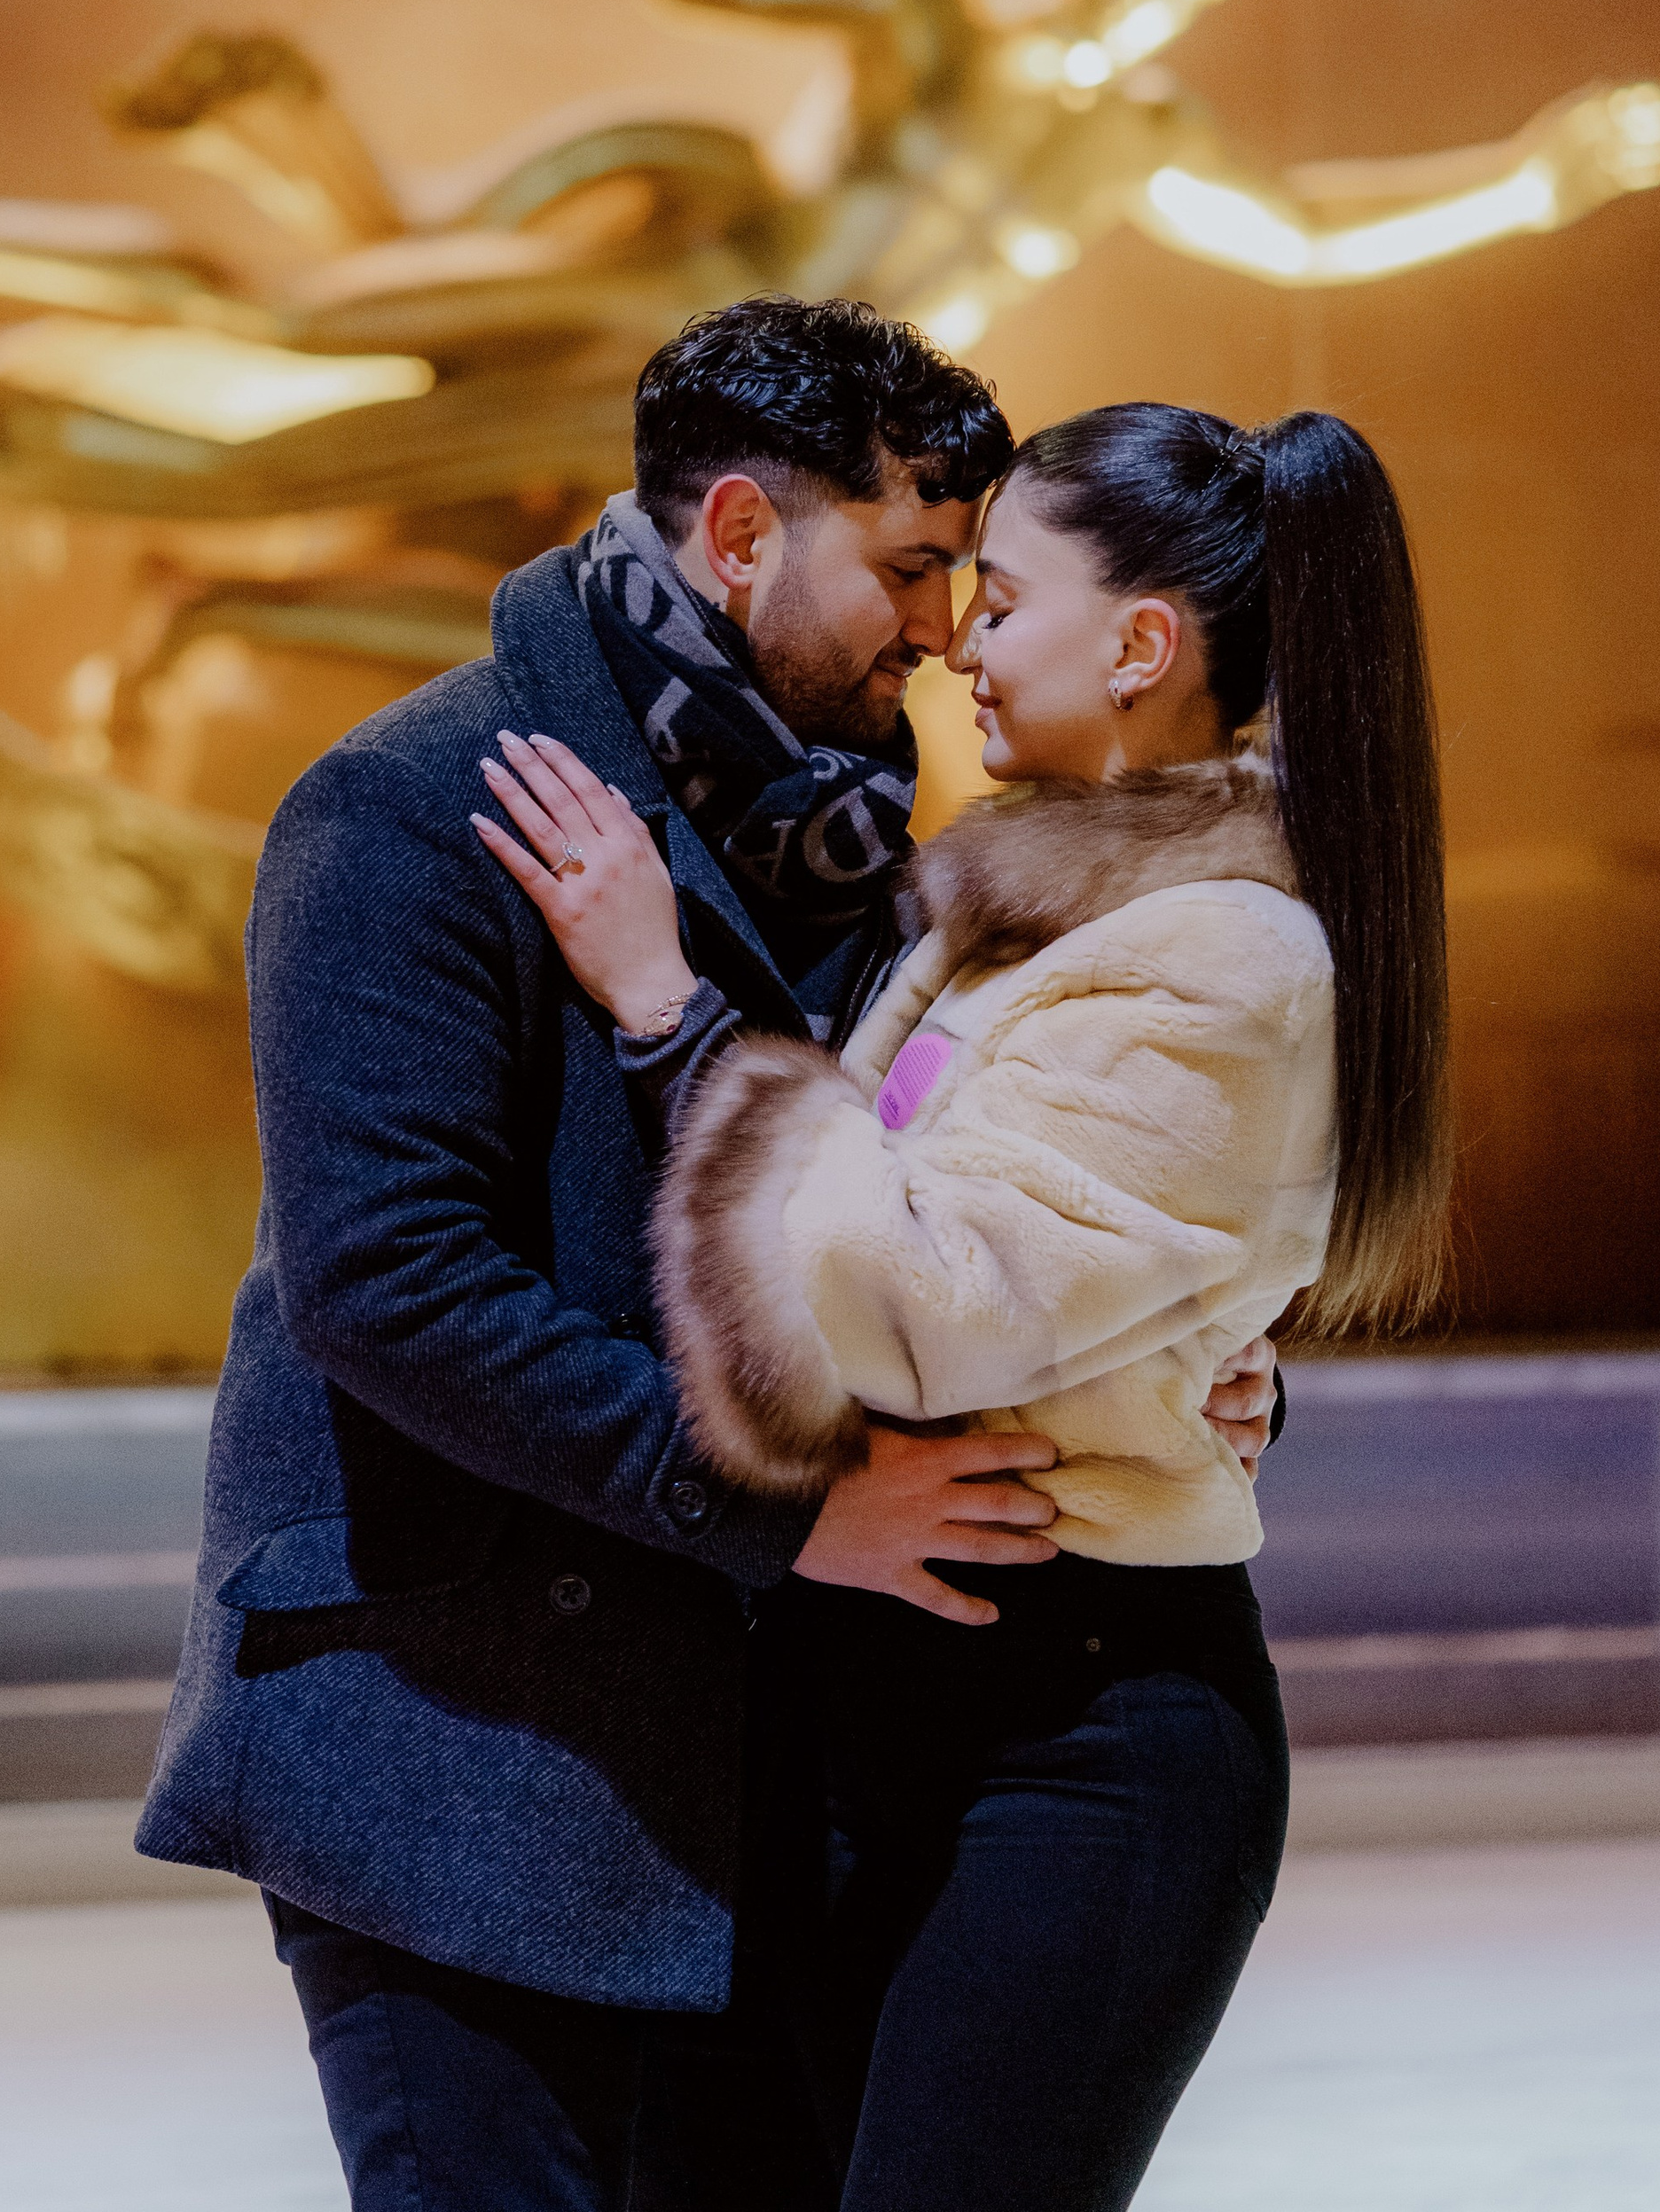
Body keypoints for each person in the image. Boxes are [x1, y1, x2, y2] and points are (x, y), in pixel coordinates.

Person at [140, 302, 1280, 2208]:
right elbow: (388, 1288)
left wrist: (1167, 1356)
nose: (937, 629)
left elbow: (937, 1216)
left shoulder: (848, 841)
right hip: (456, 1740)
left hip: (740, 1769)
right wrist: (779, 1514)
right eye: (910, 568)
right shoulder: (415, 804)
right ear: (743, 537)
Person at [485, 396, 1450, 2211]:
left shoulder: (1223, 955)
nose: (954, 650)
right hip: (876, 1707)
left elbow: (916, 1302)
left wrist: (665, 1015)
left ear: (1142, 644)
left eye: (997, 605)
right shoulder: (1019, 906)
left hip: (1072, 1749)